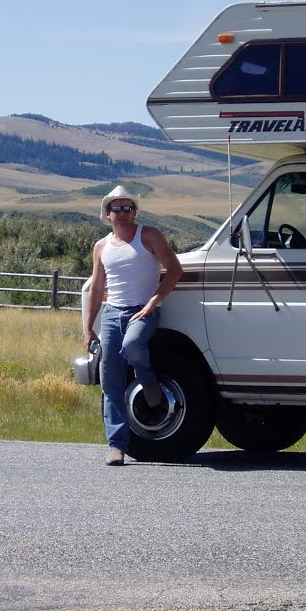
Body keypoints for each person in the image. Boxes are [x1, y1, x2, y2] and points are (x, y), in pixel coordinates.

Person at [83, 185, 184, 466]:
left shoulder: (149, 236)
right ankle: (116, 446)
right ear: (107, 214)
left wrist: (154, 302)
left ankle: (148, 382)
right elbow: (97, 287)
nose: (123, 214)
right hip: (112, 314)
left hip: (143, 311)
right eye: (117, 209)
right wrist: (88, 327)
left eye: (128, 208)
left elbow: (175, 271)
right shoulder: (101, 247)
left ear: (135, 212)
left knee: (133, 345)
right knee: (110, 381)